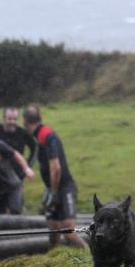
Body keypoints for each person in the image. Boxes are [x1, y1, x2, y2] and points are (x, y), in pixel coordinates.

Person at [22, 105, 87, 248]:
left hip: (64, 188)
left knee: (68, 230)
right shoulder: (39, 136)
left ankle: (90, 259)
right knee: (53, 229)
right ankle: (52, 261)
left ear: (25, 120)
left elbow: (56, 167)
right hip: (53, 187)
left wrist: (52, 192)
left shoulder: (46, 135)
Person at [0, 107, 38, 207]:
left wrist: (28, 167)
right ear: (4, 118)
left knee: (16, 208)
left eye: (15, 119)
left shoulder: (22, 133)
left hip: (16, 175)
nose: (12, 122)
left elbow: (35, 148)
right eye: (9, 119)